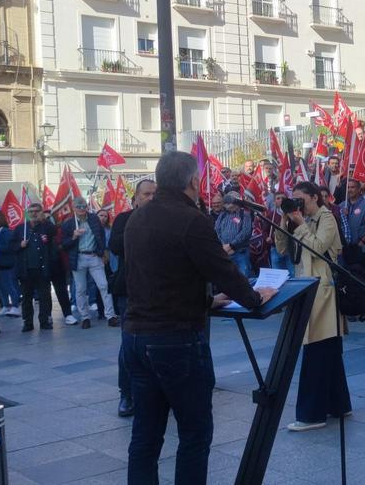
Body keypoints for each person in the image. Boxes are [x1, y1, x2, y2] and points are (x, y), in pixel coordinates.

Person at [123, 151, 272, 484]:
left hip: (135, 337)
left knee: (145, 437)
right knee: (194, 434)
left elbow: (155, 276)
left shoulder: (137, 218)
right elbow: (223, 270)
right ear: (193, 181)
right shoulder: (191, 220)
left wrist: (206, 300)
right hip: (176, 340)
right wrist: (253, 297)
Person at [275, 181, 349, 432]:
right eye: (294, 200)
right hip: (307, 288)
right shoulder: (299, 221)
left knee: (316, 351)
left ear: (315, 198)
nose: (298, 205)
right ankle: (339, 404)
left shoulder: (327, 218)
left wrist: (301, 224)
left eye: (301, 200)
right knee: (328, 351)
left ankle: (311, 414)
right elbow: (282, 248)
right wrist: (284, 221)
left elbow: (317, 249)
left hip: (323, 292)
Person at [108, 179, 157, 416]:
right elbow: (115, 245)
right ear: (135, 198)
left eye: (155, 194)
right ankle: (126, 394)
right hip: (130, 291)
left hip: (159, 290)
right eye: (146, 194)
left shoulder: (166, 219)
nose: (151, 198)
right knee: (129, 343)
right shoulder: (124, 219)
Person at [61, 199, 114, 329]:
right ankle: (85, 317)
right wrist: (73, 237)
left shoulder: (94, 219)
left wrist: (100, 252)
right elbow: (63, 244)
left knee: (104, 285)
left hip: (94, 256)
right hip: (78, 257)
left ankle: (111, 316)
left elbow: (101, 235)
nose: (81, 208)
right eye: (78, 206)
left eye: (84, 206)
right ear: (73, 208)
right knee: (80, 289)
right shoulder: (68, 223)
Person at [17, 203, 57, 332]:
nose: (34, 213)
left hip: (42, 268)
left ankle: (45, 320)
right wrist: (20, 245)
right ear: (27, 213)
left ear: (41, 212)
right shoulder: (21, 228)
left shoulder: (46, 227)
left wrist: (43, 219)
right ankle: (27, 322)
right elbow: (10, 247)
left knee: (45, 296)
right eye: (31, 211)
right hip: (26, 269)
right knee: (27, 297)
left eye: (37, 211)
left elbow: (54, 232)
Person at [215, 192, 254, 277]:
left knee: (244, 277)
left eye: (230, 199)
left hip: (240, 252)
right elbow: (217, 230)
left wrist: (231, 245)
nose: (227, 202)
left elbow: (246, 232)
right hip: (226, 252)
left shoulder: (244, 214)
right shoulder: (222, 215)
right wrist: (223, 245)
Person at [0, 211, 21, 318]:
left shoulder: (6, 232)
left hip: (6, 263)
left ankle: (15, 305)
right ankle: (5, 305)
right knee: (0, 286)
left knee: (10, 285)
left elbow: (9, 247)